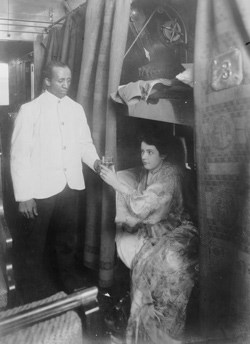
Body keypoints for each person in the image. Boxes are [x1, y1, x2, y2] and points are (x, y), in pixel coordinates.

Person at [10, 60, 101, 300]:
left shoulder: (76, 109)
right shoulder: (30, 110)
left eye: (68, 80)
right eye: (60, 80)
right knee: (35, 245)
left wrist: (96, 162)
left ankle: (68, 284)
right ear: (47, 81)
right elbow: (19, 156)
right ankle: (33, 295)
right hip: (40, 190)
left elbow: (85, 145)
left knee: (66, 241)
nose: (66, 85)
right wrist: (24, 195)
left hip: (70, 187)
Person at [100, 131, 199, 344]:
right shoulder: (149, 172)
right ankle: (143, 334)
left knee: (164, 268)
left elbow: (142, 205)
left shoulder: (170, 175)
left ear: (162, 155)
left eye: (150, 152)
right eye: (142, 151)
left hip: (180, 230)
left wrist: (117, 183)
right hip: (159, 230)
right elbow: (140, 208)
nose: (144, 156)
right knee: (144, 268)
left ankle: (165, 336)